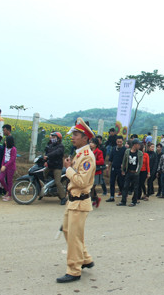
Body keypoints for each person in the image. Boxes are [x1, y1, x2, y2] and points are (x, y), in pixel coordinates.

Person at [56, 118, 96, 283]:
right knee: (68, 230)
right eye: (72, 134)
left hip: (80, 202)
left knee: (74, 236)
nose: (72, 137)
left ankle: (74, 270)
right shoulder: (79, 153)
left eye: (76, 134)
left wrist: (68, 170)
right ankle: (85, 258)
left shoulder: (87, 157)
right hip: (73, 201)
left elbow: (81, 181)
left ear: (85, 138)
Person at [117, 138, 143, 207]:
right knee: (125, 186)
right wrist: (123, 170)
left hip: (135, 172)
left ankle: (133, 201)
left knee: (135, 188)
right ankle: (123, 201)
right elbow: (124, 161)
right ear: (134, 145)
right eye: (138, 144)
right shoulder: (127, 151)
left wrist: (138, 172)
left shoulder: (140, 153)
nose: (139, 146)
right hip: (128, 172)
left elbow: (140, 164)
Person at [44, 132, 66, 205]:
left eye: (54, 137)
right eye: (52, 137)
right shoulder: (50, 145)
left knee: (57, 182)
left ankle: (63, 198)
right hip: (50, 165)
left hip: (57, 167)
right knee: (43, 174)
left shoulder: (61, 146)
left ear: (58, 139)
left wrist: (48, 156)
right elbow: (47, 153)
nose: (52, 139)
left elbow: (56, 153)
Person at [106, 135, 125, 202]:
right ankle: (111, 197)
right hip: (114, 168)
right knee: (112, 182)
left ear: (122, 142)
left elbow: (126, 160)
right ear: (116, 142)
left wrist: (124, 168)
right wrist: (108, 167)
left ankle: (123, 195)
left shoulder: (125, 149)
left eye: (120, 142)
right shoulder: (113, 149)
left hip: (121, 169)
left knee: (121, 182)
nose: (119, 143)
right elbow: (110, 159)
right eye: (118, 142)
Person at [0, 136, 17, 201]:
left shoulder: (13, 149)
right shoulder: (6, 148)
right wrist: (2, 165)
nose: (5, 142)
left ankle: (9, 195)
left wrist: (5, 166)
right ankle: (8, 191)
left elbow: (12, 159)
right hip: (4, 165)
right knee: (1, 178)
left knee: (9, 181)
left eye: (6, 141)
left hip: (10, 167)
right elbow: (4, 157)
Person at [89, 138, 105, 208]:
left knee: (92, 187)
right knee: (90, 187)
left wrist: (93, 162)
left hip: (96, 172)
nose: (90, 144)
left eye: (92, 143)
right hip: (89, 172)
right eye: (90, 142)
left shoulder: (99, 152)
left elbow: (101, 161)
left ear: (95, 144)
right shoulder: (88, 151)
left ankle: (89, 202)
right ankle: (96, 199)